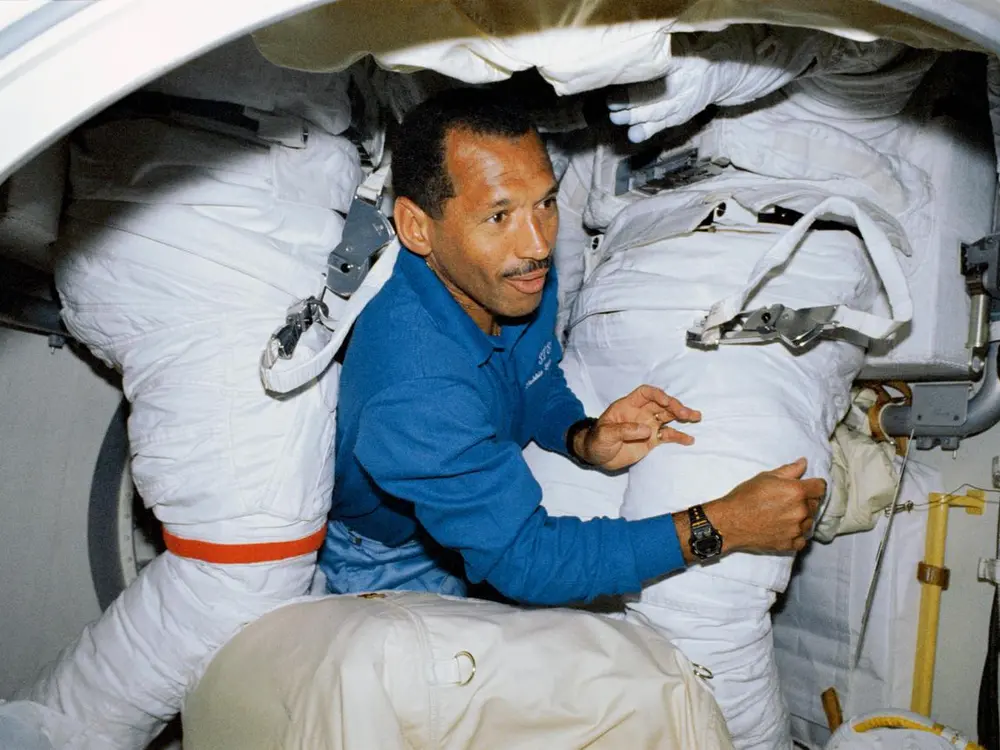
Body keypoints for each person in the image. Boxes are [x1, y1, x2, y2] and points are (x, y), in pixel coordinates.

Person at [317, 89, 827, 604]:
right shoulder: (416, 385)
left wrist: (582, 435)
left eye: (545, 203)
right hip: (391, 558)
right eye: (499, 217)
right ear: (417, 228)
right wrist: (723, 524)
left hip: (478, 498)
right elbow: (531, 562)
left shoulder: (505, 276)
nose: (538, 244)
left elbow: (536, 377)